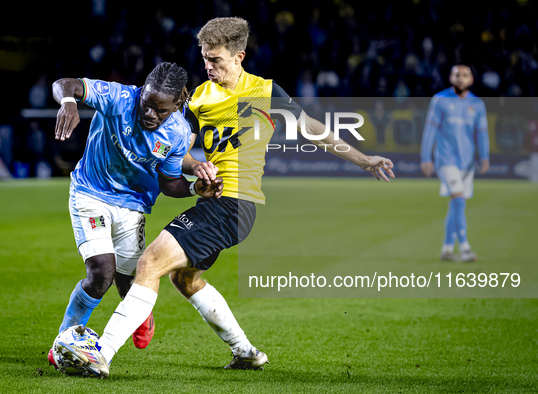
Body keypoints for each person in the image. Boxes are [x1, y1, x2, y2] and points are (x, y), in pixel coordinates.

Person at [57, 17, 394, 378]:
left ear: (239, 56)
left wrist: (363, 159)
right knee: (184, 279)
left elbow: (312, 128)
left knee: (150, 262)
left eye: (215, 60)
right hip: (213, 201)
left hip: (236, 203)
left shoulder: (263, 92)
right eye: (204, 58)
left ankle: (101, 353)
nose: (208, 66)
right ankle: (245, 351)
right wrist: (196, 166)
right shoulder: (199, 97)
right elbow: (175, 151)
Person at [48, 62, 223, 366]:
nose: (150, 114)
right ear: (142, 91)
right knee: (102, 272)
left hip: (134, 205)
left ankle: (142, 313)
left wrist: (196, 189)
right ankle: (64, 341)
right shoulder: (119, 97)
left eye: (161, 110)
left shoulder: (179, 133)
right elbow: (66, 83)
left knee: (129, 282)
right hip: (91, 193)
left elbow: (169, 184)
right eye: (147, 104)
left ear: (177, 105)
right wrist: (69, 103)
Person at [420, 65, 490, 262]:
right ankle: (465, 248)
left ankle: (447, 249)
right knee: (459, 200)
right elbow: (430, 131)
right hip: (446, 159)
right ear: (451, 78)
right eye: (457, 75)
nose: (461, 78)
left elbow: (481, 134)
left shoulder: (477, 104)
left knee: (456, 204)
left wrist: (484, 157)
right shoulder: (440, 100)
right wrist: (426, 158)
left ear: (471, 79)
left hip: (466, 163)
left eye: (465, 75)